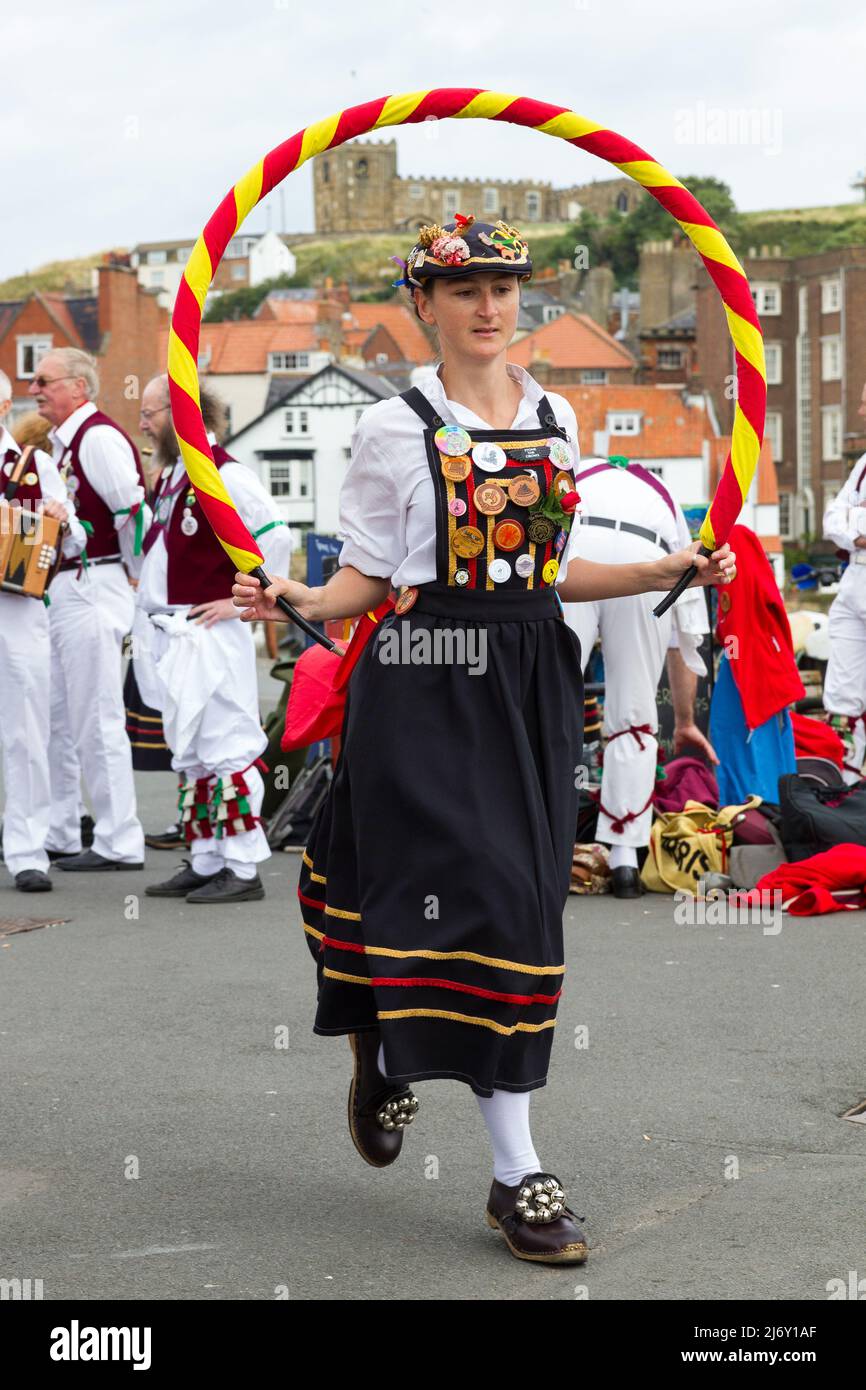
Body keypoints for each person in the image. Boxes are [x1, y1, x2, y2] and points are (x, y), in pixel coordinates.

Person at [232, 214, 735, 1266]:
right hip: (420, 680)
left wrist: (657, 572)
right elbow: (362, 579)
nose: (490, 304)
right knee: (462, 886)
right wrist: (292, 593)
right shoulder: (387, 428)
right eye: (464, 289)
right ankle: (515, 1169)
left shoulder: (554, 413)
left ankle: (382, 1049)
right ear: (422, 303)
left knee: (521, 900)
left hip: (528, 679)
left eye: (503, 285)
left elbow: (545, 572)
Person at [135, 375, 292, 904]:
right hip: (178, 631)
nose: (143, 422)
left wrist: (244, 601)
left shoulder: (225, 475)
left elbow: (275, 536)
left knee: (226, 742)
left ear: (183, 414)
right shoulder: (178, 476)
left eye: (152, 412)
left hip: (212, 630)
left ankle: (243, 866)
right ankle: (207, 858)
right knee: (194, 751)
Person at [560, 458, 716, 897]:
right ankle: (625, 855)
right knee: (634, 712)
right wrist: (684, 721)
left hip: (577, 550)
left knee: (547, 695)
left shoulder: (579, 472)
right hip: (650, 557)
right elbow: (686, 637)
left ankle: (542, 841)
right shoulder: (668, 507)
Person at [29, 348, 149, 870]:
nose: (35, 390)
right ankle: (61, 826)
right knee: (57, 715)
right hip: (67, 587)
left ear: (78, 387)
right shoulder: (65, 444)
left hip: (93, 582)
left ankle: (119, 838)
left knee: (96, 717)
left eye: (44, 381)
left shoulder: (97, 437)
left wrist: (137, 579)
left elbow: (132, 511)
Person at [0, 372, 86, 891]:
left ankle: (27, 849)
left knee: (26, 729)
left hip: (17, 607)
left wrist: (60, 515)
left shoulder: (37, 466)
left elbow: (74, 538)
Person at [709, 524, 803, 805]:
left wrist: (727, 644)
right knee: (764, 748)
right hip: (754, 668)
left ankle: (750, 811)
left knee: (741, 746)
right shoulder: (755, 579)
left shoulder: (736, 586)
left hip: (745, 671)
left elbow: (730, 631)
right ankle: (774, 808)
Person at [822, 383, 866, 783]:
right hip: (854, 580)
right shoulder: (864, 463)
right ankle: (849, 788)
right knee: (842, 694)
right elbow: (831, 518)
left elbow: (844, 519)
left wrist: (852, 520)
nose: (861, 408)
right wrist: (856, 524)